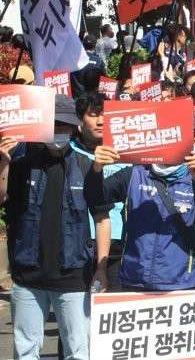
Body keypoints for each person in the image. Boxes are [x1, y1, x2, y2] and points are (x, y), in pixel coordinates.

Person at [0, 95, 112, 360]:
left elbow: (101, 218)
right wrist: (4, 161)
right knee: (25, 349)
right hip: (28, 277)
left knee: (77, 350)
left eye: (64, 126)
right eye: (53, 125)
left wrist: (101, 268)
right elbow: (1, 198)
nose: (57, 131)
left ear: (74, 127)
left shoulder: (87, 166)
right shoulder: (22, 163)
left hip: (73, 278)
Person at [85, 135, 195, 291]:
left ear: (194, 141)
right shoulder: (133, 174)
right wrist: (96, 168)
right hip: (134, 280)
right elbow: (93, 198)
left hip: (181, 284)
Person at [69, 92, 129, 291]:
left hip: (120, 245)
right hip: (78, 243)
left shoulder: (130, 154)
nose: (101, 121)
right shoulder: (68, 153)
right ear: (79, 120)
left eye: (106, 115)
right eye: (94, 115)